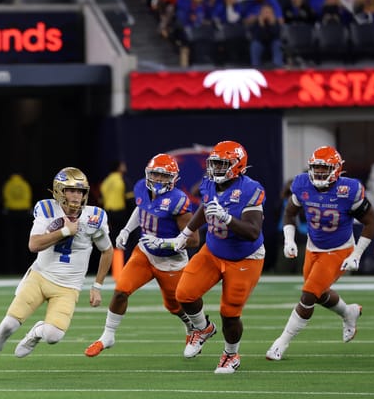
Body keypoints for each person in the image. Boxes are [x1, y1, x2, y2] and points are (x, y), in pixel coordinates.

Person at [0, 167, 113, 383]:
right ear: (60, 191)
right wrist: (64, 232)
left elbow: (107, 251)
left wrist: (97, 286)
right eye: (71, 191)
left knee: (53, 336)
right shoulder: (47, 209)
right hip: (40, 277)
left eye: (80, 191)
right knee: (8, 325)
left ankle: (37, 332)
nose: (77, 196)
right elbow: (34, 245)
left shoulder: (95, 217)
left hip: (68, 287)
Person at [266, 146, 374, 360]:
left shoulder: (349, 190)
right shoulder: (302, 184)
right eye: (316, 168)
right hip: (313, 247)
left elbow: (371, 222)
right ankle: (349, 312)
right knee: (319, 293)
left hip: (339, 249)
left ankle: (281, 343)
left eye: (324, 169)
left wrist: (356, 254)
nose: (318, 173)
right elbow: (289, 213)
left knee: (308, 295)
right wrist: (289, 240)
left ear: (336, 170)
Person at [85, 154, 199, 357]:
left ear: (173, 178)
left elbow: (193, 240)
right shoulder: (140, 187)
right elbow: (141, 208)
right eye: (155, 175)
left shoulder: (178, 200)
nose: (158, 180)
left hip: (171, 261)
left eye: (164, 176)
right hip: (145, 253)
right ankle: (108, 335)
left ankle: (192, 327)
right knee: (121, 291)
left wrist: (165, 242)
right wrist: (127, 231)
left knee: (174, 305)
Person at [170, 140, 266, 374]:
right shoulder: (209, 183)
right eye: (215, 164)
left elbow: (253, 231)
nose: (217, 169)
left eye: (223, 164)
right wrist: (186, 232)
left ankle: (231, 355)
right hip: (213, 250)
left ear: (238, 165)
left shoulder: (251, 189)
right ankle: (203, 328)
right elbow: (205, 208)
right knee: (184, 293)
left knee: (230, 313)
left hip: (244, 257)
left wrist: (227, 218)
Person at [1, 171, 33, 273]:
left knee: (10, 242)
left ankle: (10, 268)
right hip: (24, 213)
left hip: (11, 213)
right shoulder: (25, 184)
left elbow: (5, 197)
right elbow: (28, 198)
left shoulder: (8, 184)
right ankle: (24, 267)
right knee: (24, 241)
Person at [99, 160, 130, 244]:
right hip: (120, 214)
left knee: (112, 238)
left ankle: (114, 256)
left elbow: (101, 200)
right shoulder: (122, 179)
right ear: (119, 167)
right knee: (123, 238)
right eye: (123, 165)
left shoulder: (105, 181)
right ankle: (123, 257)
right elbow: (129, 198)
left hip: (108, 214)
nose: (125, 166)